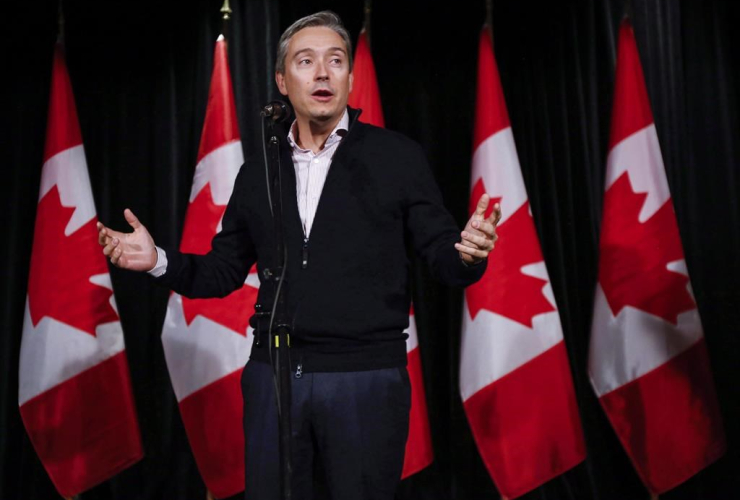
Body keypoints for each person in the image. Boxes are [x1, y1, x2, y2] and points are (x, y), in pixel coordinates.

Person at [98, 11, 501, 500]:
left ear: (351, 77)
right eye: (305, 61)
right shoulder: (258, 172)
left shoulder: (397, 157)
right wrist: (159, 259)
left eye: (336, 61)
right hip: (274, 377)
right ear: (282, 82)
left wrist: (469, 254)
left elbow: (442, 256)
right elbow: (222, 271)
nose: (323, 73)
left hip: (365, 379)